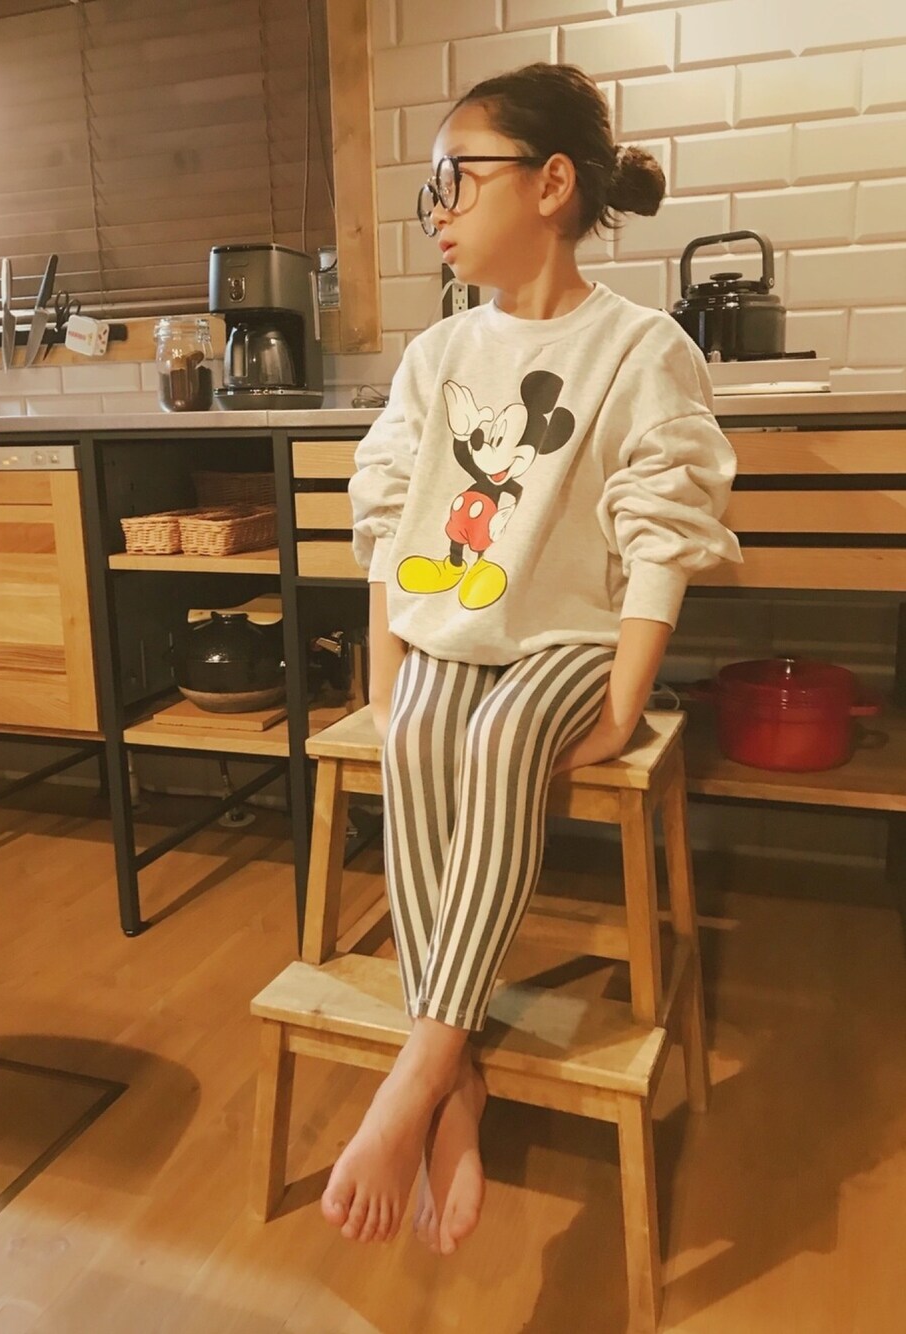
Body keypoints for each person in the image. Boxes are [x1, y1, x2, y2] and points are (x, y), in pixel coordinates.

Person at [321, 61, 743, 1258]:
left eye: (459, 177)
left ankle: (418, 1073)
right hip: (451, 626)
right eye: (432, 188)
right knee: (416, 730)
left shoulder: (640, 345)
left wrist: (621, 696)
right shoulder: (436, 352)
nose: (438, 209)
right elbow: (388, 514)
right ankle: (452, 1079)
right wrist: (384, 670)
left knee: (505, 735)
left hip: (572, 639)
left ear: (552, 185)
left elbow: (662, 522)